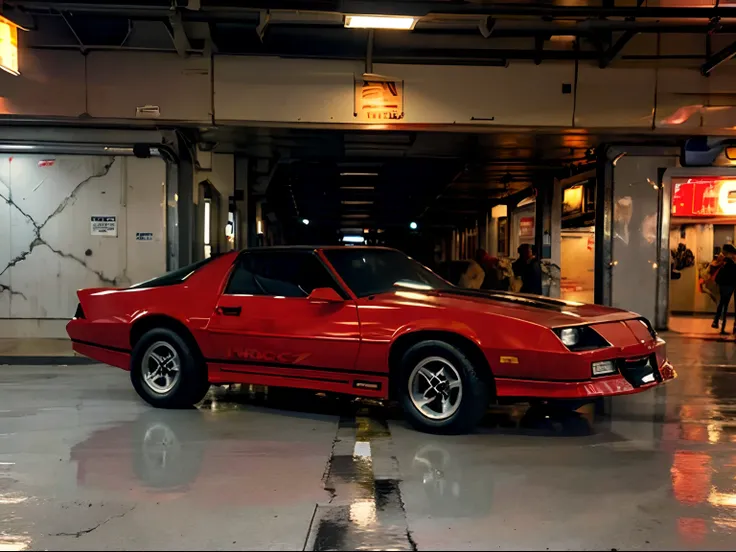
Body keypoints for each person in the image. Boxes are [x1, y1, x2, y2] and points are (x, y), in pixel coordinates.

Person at [712, 243, 736, 334]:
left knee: (722, 304)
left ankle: (716, 322)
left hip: (723, 285)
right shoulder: (729, 262)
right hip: (728, 286)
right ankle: (721, 327)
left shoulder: (723, 261)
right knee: (724, 306)